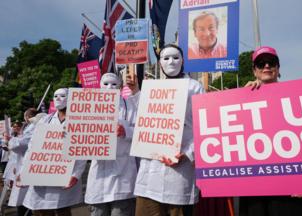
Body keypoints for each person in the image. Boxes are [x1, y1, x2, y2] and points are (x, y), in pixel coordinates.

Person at [240, 46, 302, 216]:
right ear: (254, 71)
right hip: (258, 186)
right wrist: (244, 97)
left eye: (271, 63)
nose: (266, 66)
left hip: (294, 186)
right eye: (260, 64)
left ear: (278, 69)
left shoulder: (299, 96)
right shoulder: (244, 97)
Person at [134, 44, 204, 216]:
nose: (171, 62)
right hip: (149, 175)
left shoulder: (195, 87)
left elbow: (203, 125)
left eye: (175, 57)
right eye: (166, 58)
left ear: (183, 61)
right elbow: (143, 122)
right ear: (160, 63)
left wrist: (188, 153)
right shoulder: (151, 88)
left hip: (179, 173)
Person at [22, 88, 86, 216]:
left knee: (62, 210)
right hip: (42, 176)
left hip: (64, 176)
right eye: (55, 96)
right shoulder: (45, 120)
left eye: (62, 96)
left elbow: (82, 149)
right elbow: (32, 146)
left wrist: (76, 174)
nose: (58, 98)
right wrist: (24, 170)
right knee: (41, 211)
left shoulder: (79, 120)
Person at [85, 72, 139, 216]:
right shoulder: (88, 106)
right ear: (99, 86)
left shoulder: (130, 106)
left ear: (120, 87)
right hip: (98, 173)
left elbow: (142, 131)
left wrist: (126, 131)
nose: (110, 87)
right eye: (106, 84)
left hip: (123, 172)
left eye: (114, 84)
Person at [6, 108, 41, 216]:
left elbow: (20, 145)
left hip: (28, 166)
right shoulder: (28, 128)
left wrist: (10, 140)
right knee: (25, 199)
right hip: (22, 164)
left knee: (27, 199)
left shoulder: (34, 127)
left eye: (26, 116)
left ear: (28, 117)